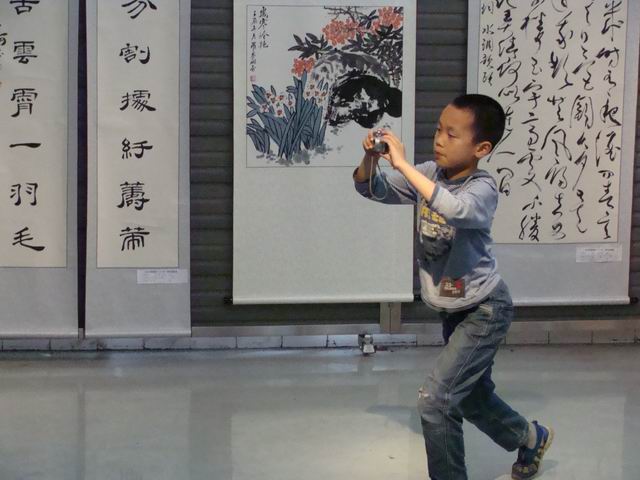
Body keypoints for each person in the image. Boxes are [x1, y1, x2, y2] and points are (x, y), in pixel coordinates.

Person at [352, 94, 553, 480]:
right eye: (438, 130)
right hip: (454, 311)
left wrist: (403, 165)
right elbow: (370, 188)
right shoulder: (430, 173)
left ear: (481, 148)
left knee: (436, 400)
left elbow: (456, 210)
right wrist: (371, 159)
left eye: (452, 134)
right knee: (471, 399)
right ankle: (530, 437)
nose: (439, 140)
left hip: (485, 310)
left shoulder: (482, 187)